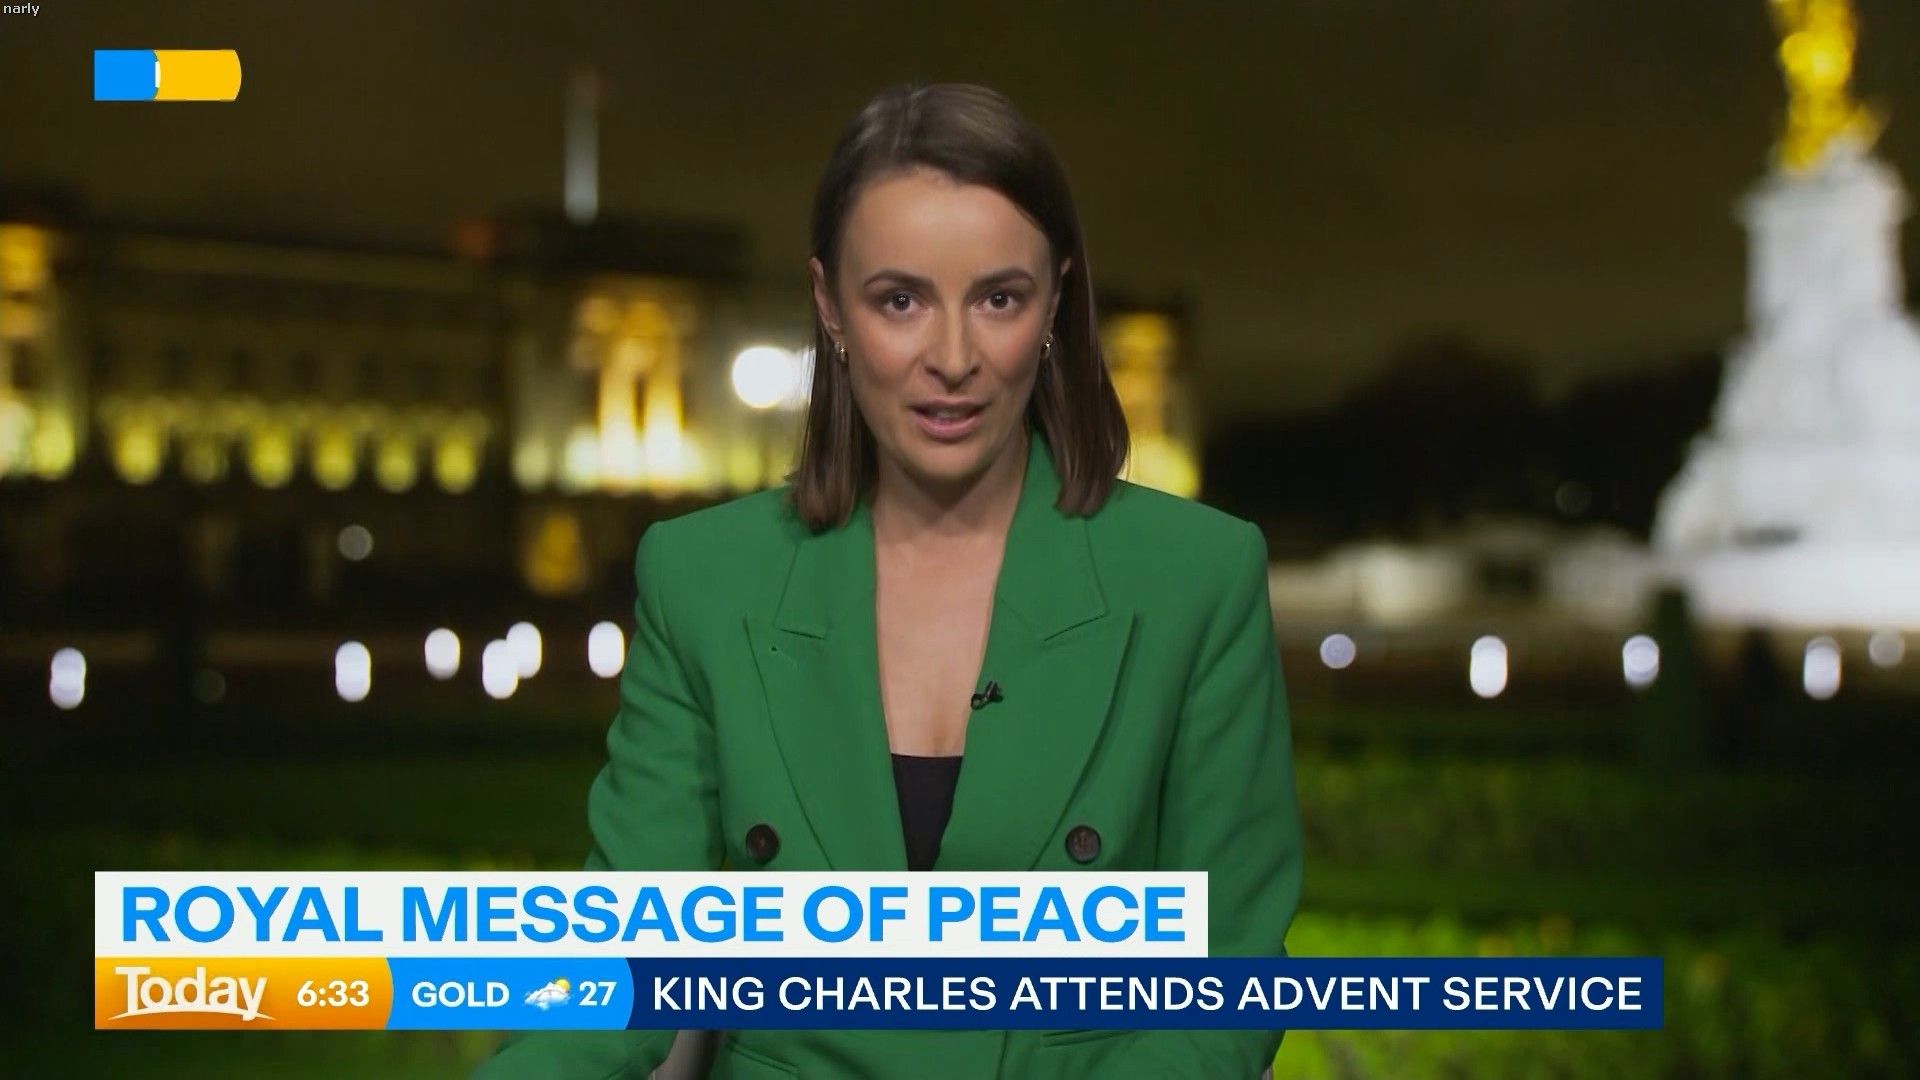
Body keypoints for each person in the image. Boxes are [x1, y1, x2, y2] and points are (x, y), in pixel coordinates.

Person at [476, 81, 1303, 1080]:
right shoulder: (701, 578)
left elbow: (1226, 985)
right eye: (900, 300)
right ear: (830, 306)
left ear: (1054, 303)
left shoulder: (1198, 579)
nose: (952, 359)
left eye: (998, 299)